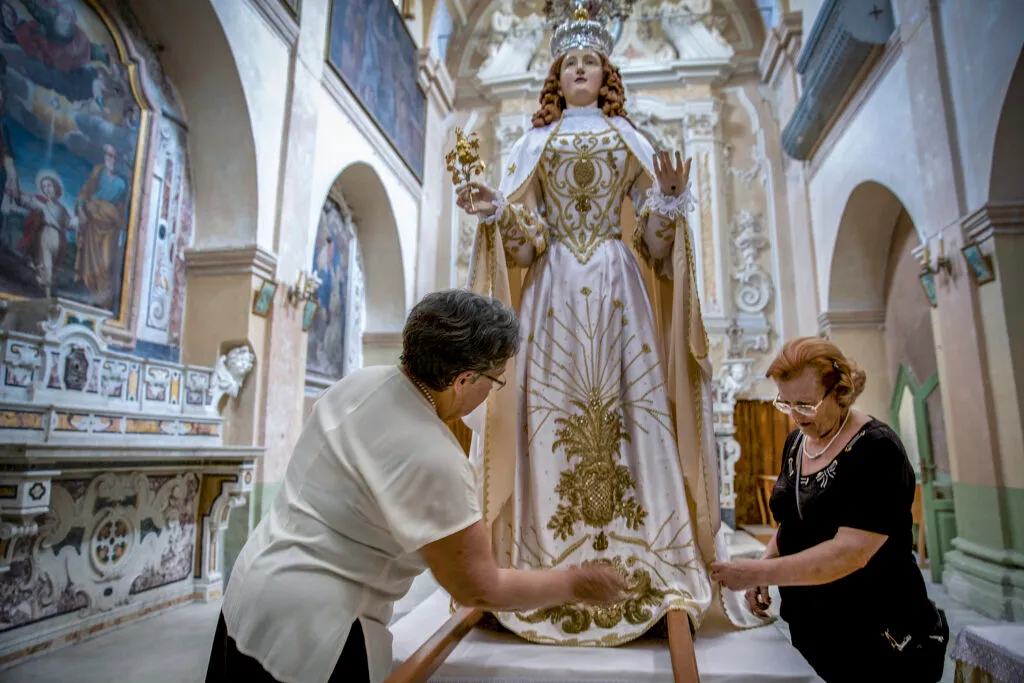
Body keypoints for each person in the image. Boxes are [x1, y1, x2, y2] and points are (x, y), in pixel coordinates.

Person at [455, 4, 766, 647]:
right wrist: (498, 213)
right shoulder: (533, 145)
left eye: (590, 62)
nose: (579, 70)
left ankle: (647, 558)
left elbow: (653, 246)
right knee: (549, 411)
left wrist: (669, 203)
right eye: (569, 62)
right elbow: (526, 244)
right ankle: (543, 561)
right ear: (556, 76)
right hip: (551, 294)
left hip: (618, 287)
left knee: (629, 409)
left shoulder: (630, 139)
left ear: (606, 75)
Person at [206, 290, 626, 683]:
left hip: (251, 586)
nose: (492, 391)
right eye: (495, 379)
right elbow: (478, 587)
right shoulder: (436, 458)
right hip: (311, 629)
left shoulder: (357, 383)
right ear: (463, 379)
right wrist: (574, 584)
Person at [710, 337, 949, 683]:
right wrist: (767, 559)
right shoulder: (797, 443)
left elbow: (848, 554)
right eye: (786, 403)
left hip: (879, 640)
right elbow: (795, 521)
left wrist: (757, 573)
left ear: (840, 392)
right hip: (814, 632)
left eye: (805, 404)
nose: (795, 415)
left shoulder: (876, 449)